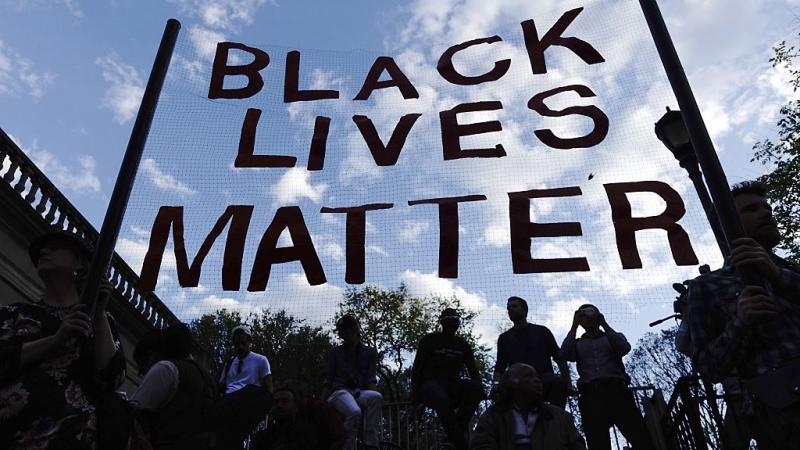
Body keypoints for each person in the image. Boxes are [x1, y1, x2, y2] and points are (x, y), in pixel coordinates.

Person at [687, 180, 800, 449]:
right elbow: (708, 367)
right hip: (784, 412)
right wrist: (740, 324)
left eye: (766, 206)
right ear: (725, 226)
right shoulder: (707, 287)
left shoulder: (792, 272)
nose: (766, 212)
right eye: (752, 209)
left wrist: (777, 275)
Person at [0, 229, 126, 449]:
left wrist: (98, 312)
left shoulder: (101, 320)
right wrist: (54, 340)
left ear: (80, 264)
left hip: (70, 440)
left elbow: (112, 377)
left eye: (57, 247)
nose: (45, 251)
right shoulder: (15, 313)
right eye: (42, 250)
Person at [560, 304, 654, 450]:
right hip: (591, 395)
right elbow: (565, 354)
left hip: (618, 391)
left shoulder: (611, 337)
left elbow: (624, 348)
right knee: (597, 442)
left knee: (639, 436)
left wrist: (604, 324)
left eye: (591, 314)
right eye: (583, 315)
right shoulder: (578, 343)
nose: (588, 318)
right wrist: (574, 326)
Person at [129, 323, 218, 450]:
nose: (142, 375)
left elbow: (130, 415)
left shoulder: (166, 368)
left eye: (143, 370)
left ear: (151, 356)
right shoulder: (208, 381)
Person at [410, 308, 484, 450]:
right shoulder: (429, 340)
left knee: (475, 388)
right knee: (439, 395)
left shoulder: (462, 345)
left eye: (454, 319)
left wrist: (480, 390)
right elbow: (417, 368)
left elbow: (474, 372)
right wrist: (415, 394)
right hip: (430, 386)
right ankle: (459, 443)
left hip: (453, 386)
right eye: (448, 318)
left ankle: (451, 438)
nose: (452, 322)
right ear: (442, 322)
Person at [470, 363, 585, 450]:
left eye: (537, 376)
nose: (537, 380)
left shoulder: (560, 417)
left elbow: (577, 445)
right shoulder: (493, 417)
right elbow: (481, 445)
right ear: (512, 382)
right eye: (528, 376)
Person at [494, 296, 573, 408]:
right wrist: (496, 385)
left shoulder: (542, 331)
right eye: (508, 308)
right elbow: (499, 367)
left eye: (514, 306)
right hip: (517, 381)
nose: (510, 309)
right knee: (502, 393)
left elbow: (559, 358)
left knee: (558, 383)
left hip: (543, 378)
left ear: (525, 310)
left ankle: (556, 419)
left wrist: (568, 383)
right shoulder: (504, 338)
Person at [324, 314, 383, 450]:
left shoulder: (370, 352)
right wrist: (322, 401)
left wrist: (371, 400)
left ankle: (370, 444)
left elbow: (371, 378)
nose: (343, 335)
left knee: (377, 397)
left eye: (345, 331)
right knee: (354, 412)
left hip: (358, 393)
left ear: (355, 329)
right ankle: (347, 446)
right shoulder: (335, 352)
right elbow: (329, 378)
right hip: (339, 392)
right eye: (341, 332)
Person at [251, 387, 347, 450]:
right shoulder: (262, 437)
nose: (279, 405)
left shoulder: (307, 434)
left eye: (285, 401)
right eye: (276, 402)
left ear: (295, 406)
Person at [219, 325, 273, 394]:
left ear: (249, 342)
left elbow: (269, 388)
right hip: (229, 399)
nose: (240, 347)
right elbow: (221, 384)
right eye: (237, 344)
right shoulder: (229, 363)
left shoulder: (261, 360)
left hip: (249, 399)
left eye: (243, 343)